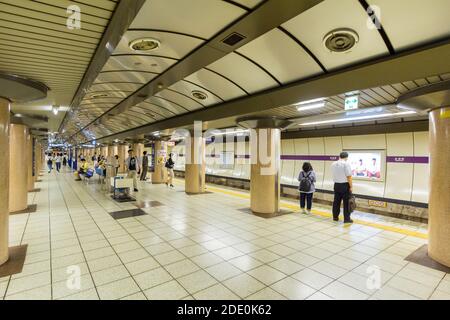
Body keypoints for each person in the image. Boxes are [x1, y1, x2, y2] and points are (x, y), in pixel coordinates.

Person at [331, 152, 354, 223]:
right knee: (346, 203)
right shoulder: (346, 164)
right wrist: (351, 186)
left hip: (336, 185)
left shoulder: (333, 164)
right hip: (344, 186)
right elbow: (349, 176)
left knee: (336, 202)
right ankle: (347, 219)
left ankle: (335, 217)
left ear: (340, 156)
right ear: (346, 157)